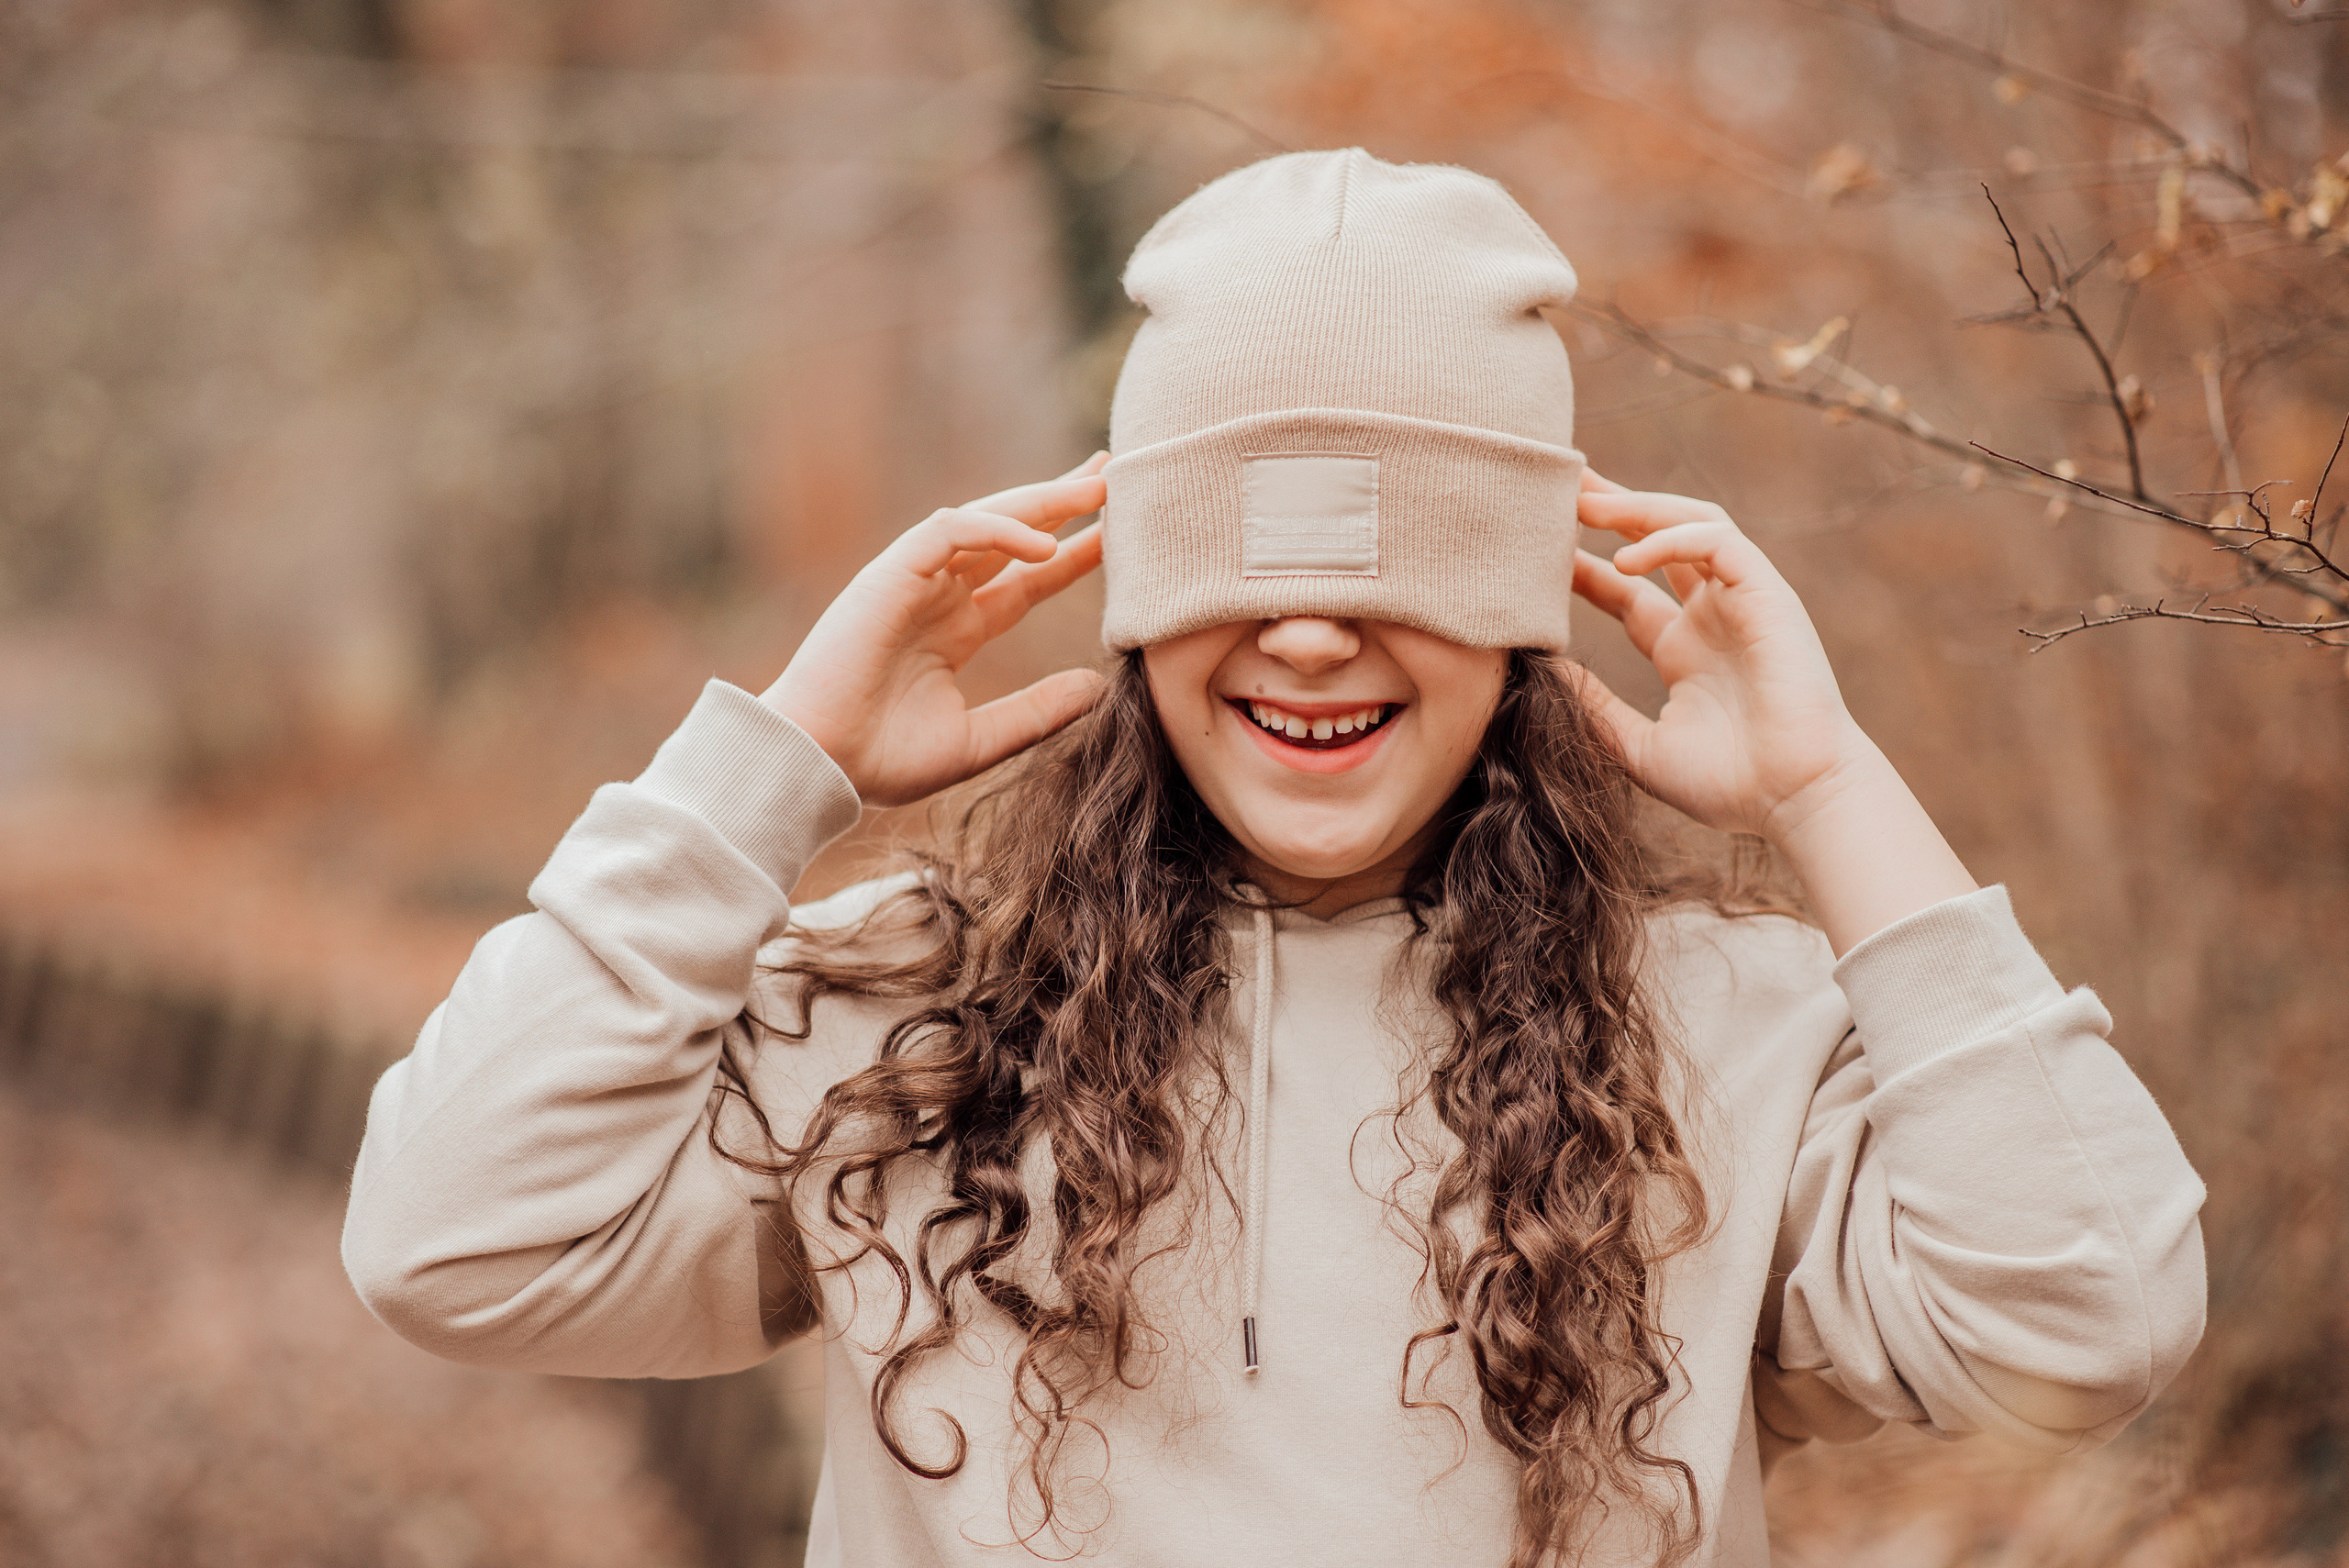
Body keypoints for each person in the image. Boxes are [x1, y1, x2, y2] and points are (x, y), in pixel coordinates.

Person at [341, 150, 2206, 1567]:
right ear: (1138, 610)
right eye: (1237, 572)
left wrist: (1827, 783)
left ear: (1517, 616)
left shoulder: (1730, 1029)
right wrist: (769, 771)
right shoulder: (901, 1008)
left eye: (1395, 574)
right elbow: (449, 1245)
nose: (1308, 640)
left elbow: (2090, 1314)